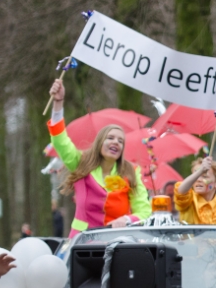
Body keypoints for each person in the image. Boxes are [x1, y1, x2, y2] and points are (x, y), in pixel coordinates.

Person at [47, 80, 151, 236]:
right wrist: (58, 102)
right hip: (83, 243)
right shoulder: (81, 163)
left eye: (120, 140)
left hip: (117, 242)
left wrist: (127, 220)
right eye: (110, 138)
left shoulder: (132, 171)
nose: (116, 141)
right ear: (99, 143)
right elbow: (59, 141)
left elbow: (144, 212)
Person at [173, 157, 216, 225]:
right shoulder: (188, 201)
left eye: (204, 176)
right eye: (196, 175)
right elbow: (180, 191)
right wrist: (201, 170)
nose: (198, 180)